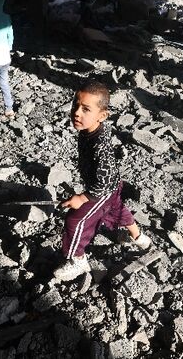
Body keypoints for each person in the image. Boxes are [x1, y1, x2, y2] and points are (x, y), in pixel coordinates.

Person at [54, 81, 151, 281]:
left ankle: (77, 259)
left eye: (86, 109)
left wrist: (83, 197)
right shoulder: (92, 129)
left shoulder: (99, 146)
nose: (77, 113)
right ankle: (139, 238)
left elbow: (103, 180)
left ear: (102, 115)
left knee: (74, 220)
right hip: (113, 185)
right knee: (117, 209)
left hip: (102, 189)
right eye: (75, 106)